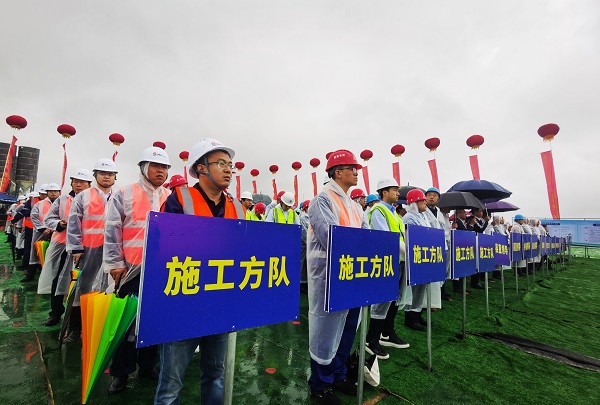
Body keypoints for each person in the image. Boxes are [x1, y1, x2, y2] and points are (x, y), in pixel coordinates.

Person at [155, 138, 245, 404]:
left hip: (220, 304)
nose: (228, 169)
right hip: (183, 305)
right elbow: (163, 248)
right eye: (221, 163)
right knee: (170, 386)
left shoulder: (237, 207)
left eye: (230, 164)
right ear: (201, 168)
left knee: (216, 376)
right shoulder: (179, 199)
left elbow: (244, 251)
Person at [104, 147, 171, 393]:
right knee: (126, 321)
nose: (161, 171)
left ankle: (147, 365)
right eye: (156, 166)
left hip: (161, 269)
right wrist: (115, 263)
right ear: (143, 168)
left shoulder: (170, 196)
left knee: (153, 318)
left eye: (164, 167)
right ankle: (121, 372)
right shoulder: (124, 193)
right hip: (130, 269)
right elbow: (112, 229)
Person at [307, 149, 368, 405]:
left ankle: (338, 375)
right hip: (328, 278)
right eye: (352, 168)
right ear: (337, 172)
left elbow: (367, 237)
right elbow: (331, 236)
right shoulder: (321, 200)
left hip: (352, 276)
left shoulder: (355, 206)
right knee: (326, 331)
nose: (356, 172)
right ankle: (320, 384)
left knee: (347, 329)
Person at [64, 158, 118, 343]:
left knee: (109, 287)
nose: (106, 177)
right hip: (89, 249)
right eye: (103, 173)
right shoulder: (83, 196)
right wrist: (76, 247)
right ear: (95, 175)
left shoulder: (119, 195)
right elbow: (73, 223)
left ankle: (100, 327)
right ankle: (75, 328)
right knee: (83, 287)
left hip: (112, 249)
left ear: (115, 177)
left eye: (110, 174)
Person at [38, 169, 93, 326]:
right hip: (63, 246)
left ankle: (79, 317)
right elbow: (49, 219)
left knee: (83, 282)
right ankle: (56, 312)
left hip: (87, 246)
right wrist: (59, 224)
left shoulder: (95, 200)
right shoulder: (62, 200)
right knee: (59, 279)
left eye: (82, 182)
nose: (78, 184)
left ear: (89, 184)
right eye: (76, 181)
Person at [364, 178, 410, 361]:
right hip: (384, 262)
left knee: (393, 299)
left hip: (398, 261)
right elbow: (386, 237)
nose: (398, 193)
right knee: (381, 301)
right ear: (384, 192)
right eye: (394, 190)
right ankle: (371, 340)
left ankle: (387, 333)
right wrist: (407, 251)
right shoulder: (378, 211)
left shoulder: (394, 213)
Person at [401, 189, 433, 331]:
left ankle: (417, 313)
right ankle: (410, 317)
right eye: (422, 200)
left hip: (424, 256)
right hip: (415, 256)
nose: (425, 202)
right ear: (414, 203)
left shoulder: (422, 216)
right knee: (413, 289)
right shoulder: (409, 217)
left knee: (421, 288)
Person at [423, 187, 450, 302]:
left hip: (440, 246)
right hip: (428, 246)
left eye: (434, 195)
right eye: (429, 195)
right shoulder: (422, 211)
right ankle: (426, 301)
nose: (431, 197)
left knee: (439, 272)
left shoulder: (439, 213)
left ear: (438, 199)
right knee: (428, 273)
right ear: (425, 197)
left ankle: (437, 297)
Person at [12, 191, 40, 281]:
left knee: (29, 248)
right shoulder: (31, 203)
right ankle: (29, 267)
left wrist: (14, 221)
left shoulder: (31, 203)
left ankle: (28, 267)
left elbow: (21, 213)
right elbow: (22, 213)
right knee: (31, 249)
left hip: (34, 229)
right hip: (33, 228)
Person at [299, 199, 310, 294]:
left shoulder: (311, 217)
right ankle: (302, 283)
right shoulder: (303, 218)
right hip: (304, 245)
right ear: (306, 208)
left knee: (308, 264)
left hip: (310, 245)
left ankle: (306, 282)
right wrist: (310, 241)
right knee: (302, 263)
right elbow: (304, 233)